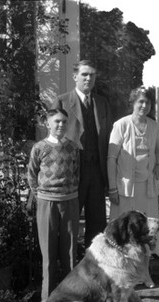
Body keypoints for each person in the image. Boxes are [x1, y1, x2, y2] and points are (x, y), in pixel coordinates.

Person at [52, 59, 112, 248]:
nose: (88, 78)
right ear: (75, 77)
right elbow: (54, 138)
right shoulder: (62, 101)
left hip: (97, 172)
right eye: (84, 74)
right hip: (72, 172)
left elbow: (109, 137)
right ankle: (69, 268)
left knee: (97, 224)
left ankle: (94, 266)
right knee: (70, 221)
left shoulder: (102, 103)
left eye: (92, 75)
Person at [27, 109, 80, 302]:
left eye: (64, 122)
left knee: (69, 255)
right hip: (46, 203)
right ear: (47, 123)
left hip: (70, 203)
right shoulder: (39, 148)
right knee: (48, 257)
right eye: (56, 121)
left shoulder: (73, 148)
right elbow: (32, 175)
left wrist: (71, 195)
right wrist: (41, 195)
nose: (61, 125)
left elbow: (77, 174)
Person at [107, 86, 159, 255]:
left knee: (148, 229)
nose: (144, 106)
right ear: (133, 103)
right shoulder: (121, 125)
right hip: (126, 188)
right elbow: (111, 158)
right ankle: (124, 271)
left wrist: (158, 165)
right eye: (141, 102)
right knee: (126, 230)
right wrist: (112, 188)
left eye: (148, 103)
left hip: (147, 188)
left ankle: (145, 272)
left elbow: (157, 151)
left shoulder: (153, 126)